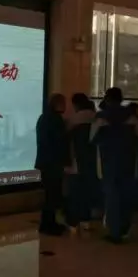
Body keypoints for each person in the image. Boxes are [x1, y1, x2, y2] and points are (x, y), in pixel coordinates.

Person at [91, 87, 138, 244]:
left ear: (106, 99)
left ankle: (114, 232)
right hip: (128, 162)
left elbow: (92, 139)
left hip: (108, 162)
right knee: (126, 195)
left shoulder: (101, 117)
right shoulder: (132, 117)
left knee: (112, 197)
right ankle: (124, 228)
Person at [35, 93, 69, 235]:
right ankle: (48, 225)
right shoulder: (56, 120)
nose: (65, 106)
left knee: (50, 194)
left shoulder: (43, 117)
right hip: (53, 162)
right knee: (53, 195)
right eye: (63, 103)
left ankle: (48, 223)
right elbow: (60, 142)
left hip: (45, 162)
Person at [66, 93, 99, 234]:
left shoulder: (73, 120)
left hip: (76, 162)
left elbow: (66, 141)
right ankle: (86, 221)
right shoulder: (96, 118)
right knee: (87, 191)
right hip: (93, 162)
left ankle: (73, 223)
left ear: (76, 104)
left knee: (74, 193)